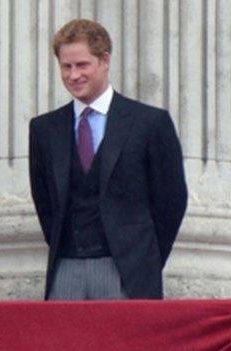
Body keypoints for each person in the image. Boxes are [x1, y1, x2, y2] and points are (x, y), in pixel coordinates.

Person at [29, 19, 187, 300]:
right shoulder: (44, 129)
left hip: (128, 272)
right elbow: (45, 204)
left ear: (104, 60)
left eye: (82, 65)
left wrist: (143, 260)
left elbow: (171, 202)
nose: (73, 75)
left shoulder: (149, 122)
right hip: (66, 269)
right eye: (66, 66)